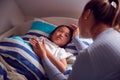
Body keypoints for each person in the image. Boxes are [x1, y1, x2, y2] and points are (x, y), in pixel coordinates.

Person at [31, 0, 120, 80]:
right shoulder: (114, 38)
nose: (62, 35)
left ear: (87, 14)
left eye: (67, 35)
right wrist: (75, 39)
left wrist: (44, 56)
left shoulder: (89, 54)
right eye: (60, 31)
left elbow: (88, 54)